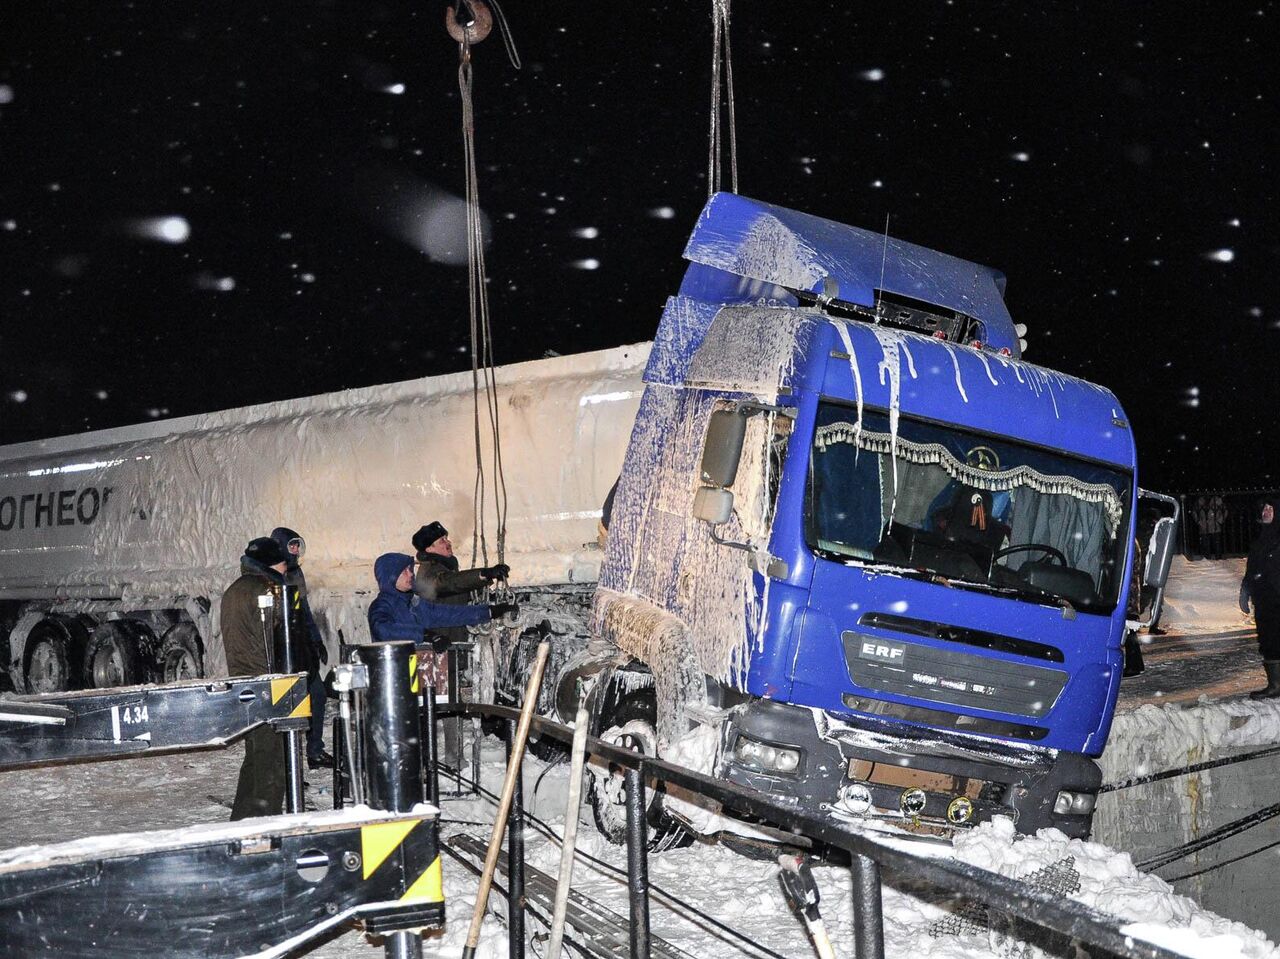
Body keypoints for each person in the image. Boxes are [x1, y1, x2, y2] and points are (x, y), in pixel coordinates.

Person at [221, 536, 311, 820]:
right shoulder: (268, 591)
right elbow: (283, 632)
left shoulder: (235, 589)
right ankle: (264, 820)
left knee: (256, 756)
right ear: (274, 564)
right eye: (285, 563)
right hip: (268, 683)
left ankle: (243, 817)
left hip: (244, 681)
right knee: (273, 760)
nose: (287, 568)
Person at [270, 526, 332, 770]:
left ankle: (315, 750)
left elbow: (303, 611)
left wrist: (316, 640)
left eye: (297, 545)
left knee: (317, 695)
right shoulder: (273, 576)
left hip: (302, 647)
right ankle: (290, 765)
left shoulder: (295, 574)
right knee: (291, 707)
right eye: (291, 546)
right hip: (285, 651)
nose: (295, 550)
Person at [369, 552, 515, 644]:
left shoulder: (413, 604)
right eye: (404, 571)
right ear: (390, 577)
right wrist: (425, 635)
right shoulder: (381, 606)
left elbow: (448, 614)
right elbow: (383, 630)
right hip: (393, 679)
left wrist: (491, 611)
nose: (411, 574)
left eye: (409, 570)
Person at [1239, 497, 1280, 699]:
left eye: (1270, 508)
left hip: (1277, 598)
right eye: (1264, 507)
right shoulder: (1261, 539)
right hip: (1264, 601)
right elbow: (1252, 568)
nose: (1265, 511)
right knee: (1269, 641)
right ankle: (1275, 685)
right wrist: (1245, 590)